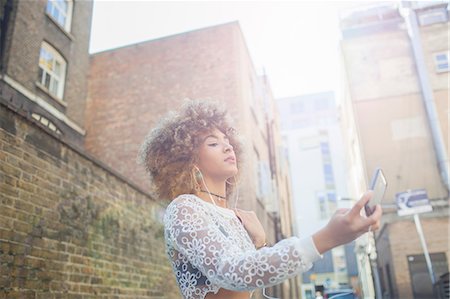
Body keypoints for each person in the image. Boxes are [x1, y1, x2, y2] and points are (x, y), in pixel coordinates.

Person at [138, 100, 382, 299]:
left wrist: (260, 243)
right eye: (213, 143)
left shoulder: (236, 217)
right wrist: (327, 237)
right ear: (187, 159)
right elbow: (232, 272)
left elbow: (246, 290)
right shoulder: (184, 209)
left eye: (228, 142)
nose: (227, 148)